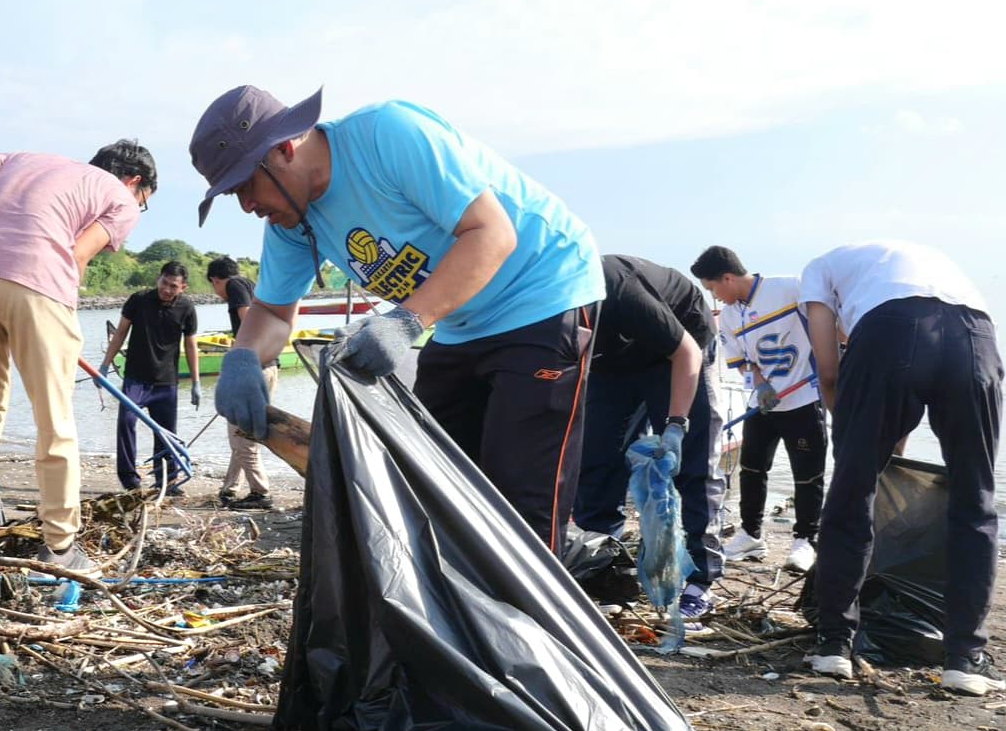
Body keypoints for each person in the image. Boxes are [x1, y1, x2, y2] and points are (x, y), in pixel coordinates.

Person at [189, 85, 603, 553]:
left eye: (246, 185)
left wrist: (406, 321)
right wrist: (244, 357)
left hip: (542, 293)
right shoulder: (291, 222)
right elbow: (271, 311)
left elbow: (492, 233)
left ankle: (538, 594)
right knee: (431, 481)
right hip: (460, 322)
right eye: (234, 195)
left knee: (521, 495)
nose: (247, 206)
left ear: (284, 148)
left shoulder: (387, 135)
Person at [0, 141, 157, 575]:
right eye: (144, 200)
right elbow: (77, 255)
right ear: (134, 181)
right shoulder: (119, 196)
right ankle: (59, 547)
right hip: (36, 280)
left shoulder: (28, 159)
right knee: (54, 419)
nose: (139, 208)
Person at [799, 240, 1002, 695]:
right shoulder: (919, 263)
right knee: (976, 500)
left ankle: (834, 646)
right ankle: (964, 659)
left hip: (889, 331)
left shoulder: (818, 268)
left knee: (852, 493)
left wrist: (854, 443)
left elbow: (829, 371)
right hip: (976, 337)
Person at [575, 255, 725, 621]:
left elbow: (686, 352)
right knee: (597, 460)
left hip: (680, 346)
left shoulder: (617, 287)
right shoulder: (536, 313)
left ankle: (700, 581)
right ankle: (603, 571)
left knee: (692, 463)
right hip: (613, 363)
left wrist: (675, 425)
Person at [691, 245, 826, 574]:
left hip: (803, 399)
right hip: (763, 404)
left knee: (807, 474)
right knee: (752, 470)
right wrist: (761, 384)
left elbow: (828, 322)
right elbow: (741, 360)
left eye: (712, 288)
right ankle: (751, 535)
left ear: (727, 278)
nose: (714, 297)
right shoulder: (729, 316)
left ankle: (805, 540)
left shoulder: (791, 288)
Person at [100, 261, 200, 492]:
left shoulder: (186, 308)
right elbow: (120, 333)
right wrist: (104, 365)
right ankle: (130, 480)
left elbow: (191, 345)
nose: (167, 289)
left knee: (166, 433)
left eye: (173, 286)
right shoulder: (139, 300)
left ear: (183, 287)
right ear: (158, 278)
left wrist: (196, 382)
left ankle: (167, 480)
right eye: (164, 282)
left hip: (166, 381)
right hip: (136, 379)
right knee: (126, 423)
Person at [207, 256, 276, 510]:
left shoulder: (234, 285)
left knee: (241, 437)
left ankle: (261, 492)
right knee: (242, 431)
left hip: (252, 369)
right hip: (268, 366)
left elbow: (249, 321)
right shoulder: (250, 284)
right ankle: (230, 488)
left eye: (214, 287)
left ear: (215, 280)